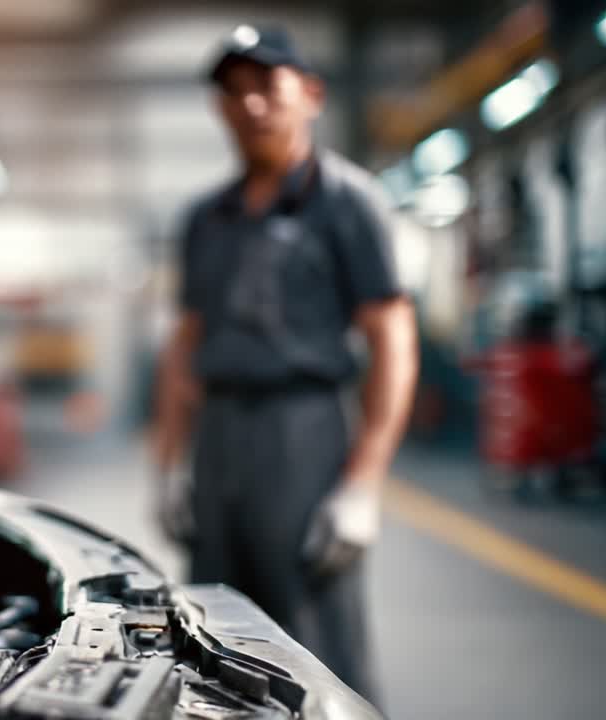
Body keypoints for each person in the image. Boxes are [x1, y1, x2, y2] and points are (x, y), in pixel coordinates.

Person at [152, 25, 418, 703]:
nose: (251, 105)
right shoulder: (205, 219)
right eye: (233, 92)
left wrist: (361, 485)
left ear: (311, 93)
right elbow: (186, 345)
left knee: (313, 642)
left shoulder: (346, 203)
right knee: (212, 633)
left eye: (267, 85)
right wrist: (169, 465)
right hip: (219, 439)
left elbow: (392, 340)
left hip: (303, 433)